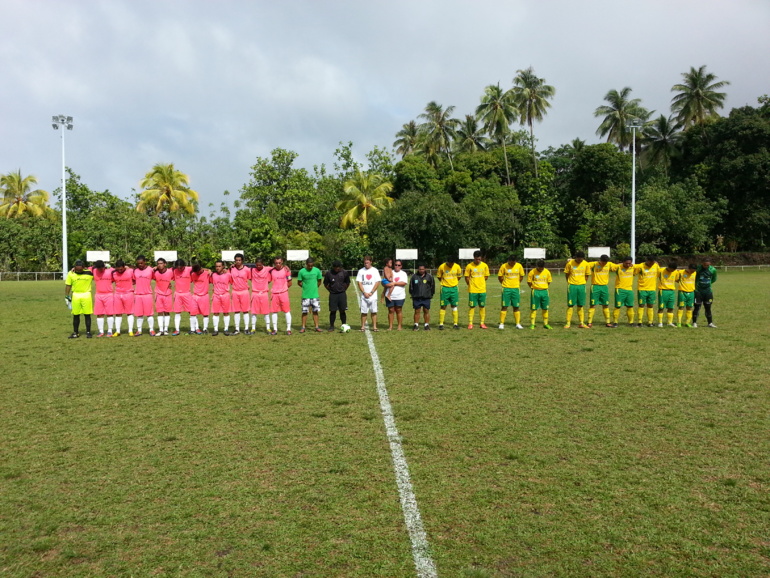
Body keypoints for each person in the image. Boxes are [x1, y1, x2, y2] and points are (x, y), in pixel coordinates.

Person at [64, 260, 94, 338]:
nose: (78, 271)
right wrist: (67, 296)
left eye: (80, 269)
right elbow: (68, 285)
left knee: (87, 315)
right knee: (76, 315)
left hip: (86, 295)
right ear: (74, 268)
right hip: (76, 295)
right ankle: (75, 332)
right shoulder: (71, 273)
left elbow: (101, 269)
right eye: (77, 269)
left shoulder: (89, 272)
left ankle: (88, 332)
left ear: (83, 267)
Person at [587, 255, 616, 328]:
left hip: (604, 287)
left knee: (605, 305)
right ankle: (589, 322)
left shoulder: (609, 264)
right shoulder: (593, 264)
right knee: (593, 305)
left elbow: (619, 266)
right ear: (600, 260)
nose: (604, 264)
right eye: (603, 262)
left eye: (605, 263)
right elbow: (583, 264)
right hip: (595, 287)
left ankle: (608, 322)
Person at [497, 254, 525, 329]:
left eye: (514, 262)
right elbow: (500, 276)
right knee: (504, 306)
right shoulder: (504, 266)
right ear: (509, 261)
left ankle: (518, 323)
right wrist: (504, 283)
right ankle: (501, 323)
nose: (513, 264)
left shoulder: (519, 266)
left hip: (515, 289)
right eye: (512, 262)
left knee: (516, 306)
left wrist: (517, 283)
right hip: (506, 289)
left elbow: (521, 276)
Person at [564, 250, 590, 329]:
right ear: (576, 257)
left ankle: (581, 323)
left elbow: (587, 275)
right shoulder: (570, 263)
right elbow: (567, 274)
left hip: (581, 286)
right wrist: (569, 282)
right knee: (570, 305)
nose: (580, 261)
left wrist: (583, 282)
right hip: (572, 286)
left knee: (580, 305)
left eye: (581, 259)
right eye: (578, 259)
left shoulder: (586, 264)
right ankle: (568, 323)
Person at [464, 250, 490, 329]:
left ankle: (482, 323)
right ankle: (470, 323)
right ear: (474, 258)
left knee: (482, 306)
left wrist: (480, 283)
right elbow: (466, 277)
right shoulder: (469, 266)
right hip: (473, 290)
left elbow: (486, 277)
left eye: (479, 259)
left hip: (482, 290)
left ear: (481, 258)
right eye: (476, 259)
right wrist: (471, 284)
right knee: (472, 306)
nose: (478, 260)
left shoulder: (485, 266)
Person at [297, 257, 324, 333]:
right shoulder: (301, 271)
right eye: (309, 265)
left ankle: (317, 327)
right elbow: (299, 282)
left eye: (311, 265)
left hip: (315, 295)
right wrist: (306, 287)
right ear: (306, 264)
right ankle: (303, 327)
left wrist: (315, 287)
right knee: (304, 312)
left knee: (315, 312)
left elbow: (319, 281)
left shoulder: (317, 271)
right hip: (305, 295)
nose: (310, 267)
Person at [356, 255, 381, 331]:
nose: (366, 264)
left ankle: (374, 327)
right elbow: (359, 282)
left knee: (374, 311)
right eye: (365, 263)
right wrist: (364, 292)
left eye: (367, 262)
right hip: (364, 295)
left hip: (372, 296)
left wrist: (371, 292)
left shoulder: (375, 270)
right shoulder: (361, 271)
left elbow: (377, 282)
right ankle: (362, 326)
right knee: (363, 312)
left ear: (371, 262)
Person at [132, 255, 155, 336]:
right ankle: (139, 330)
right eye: (138, 264)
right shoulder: (135, 271)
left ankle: (151, 330)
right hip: (138, 295)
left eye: (141, 263)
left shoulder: (151, 270)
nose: (140, 265)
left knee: (149, 314)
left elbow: (157, 278)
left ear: (145, 262)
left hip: (148, 294)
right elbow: (133, 281)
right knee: (139, 314)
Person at [269, 256, 293, 335]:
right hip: (274, 294)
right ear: (274, 263)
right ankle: (275, 329)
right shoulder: (271, 271)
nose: (278, 264)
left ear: (282, 262)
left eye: (279, 263)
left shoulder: (286, 270)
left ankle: (288, 329)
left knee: (286, 311)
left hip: (283, 294)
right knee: (274, 312)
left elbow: (290, 282)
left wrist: (283, 289)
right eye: (276, 263)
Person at [436, 256, 462, 330]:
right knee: (443, 306)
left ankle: (455, 324)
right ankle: (441, 324)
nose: (451, 265)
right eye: (450, 264)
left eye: (452, 264)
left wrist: (453, 282)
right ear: (447, 262)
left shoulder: (457, 266)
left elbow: (459, 277)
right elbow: (439, 277)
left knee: (454, 305)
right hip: (444, 288)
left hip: (454, 288)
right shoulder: (442, 267)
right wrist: (445, 283)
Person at [324, 261, 350, 331]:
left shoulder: (344, 273)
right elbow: (325, 284)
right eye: (335, 268)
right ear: (333, 267)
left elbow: (347, 282)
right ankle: (331, 326)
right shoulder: (329, 273)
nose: (337, 269)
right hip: (333, 295)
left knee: (342, 310)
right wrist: (330, 290)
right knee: (333, 311)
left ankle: (344, 325)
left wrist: (343, 289)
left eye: (338, 268)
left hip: (342, 294)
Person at [634, 256, 660, 327]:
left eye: (653, 262)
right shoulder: (640, 266)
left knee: (650, 305)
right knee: (641, 305)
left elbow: (658, 274)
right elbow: (634, 273)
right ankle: (639, 322)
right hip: (642, 289)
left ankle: (650, 322)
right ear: (647, 260)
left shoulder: (656, 265)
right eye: (650, 262)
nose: (652, 264)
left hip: (652, 289)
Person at [249, 258, 273, 334]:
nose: (258, 266)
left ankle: (268, 328)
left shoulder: (268, 269)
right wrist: (232, 266)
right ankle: (253, 328)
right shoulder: (252, 270)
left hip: (264, 293)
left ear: (263, 264)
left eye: (260, 265)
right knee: (254, 312)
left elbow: (277, 268)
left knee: (266, 312)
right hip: (255, 293)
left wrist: (285, 267)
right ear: (255, 264)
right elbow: (242, 267)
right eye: (257, 265)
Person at [229, 253, 251, 335]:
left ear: (242, 261)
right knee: (236, 311)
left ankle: (246, 328)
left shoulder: (247, 269)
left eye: (239, 260)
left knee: (245, 311)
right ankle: (237, 329)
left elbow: (249, 278)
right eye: (236, 260)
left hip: (244, 291)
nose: (238, 262)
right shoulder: (231, 269)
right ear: (234, 261)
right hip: (235, 291)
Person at [92, 260, 115, 337]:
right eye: (98, 269)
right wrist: (73, 269)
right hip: (98, 295)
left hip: (109, 294)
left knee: (109, 313)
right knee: (99, 314)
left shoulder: (110, 271)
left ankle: (110, 331)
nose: (100, 270)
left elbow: (121, 269)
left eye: (101, 268)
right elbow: (84, 269)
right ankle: (101, 331)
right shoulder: (94, 270)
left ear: (104, 267)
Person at [527, 259, 552, 329]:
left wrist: (543, 287)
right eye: (539, 267)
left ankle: (546, 324)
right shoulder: (532, 272)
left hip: (545, 291)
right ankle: (532, 324)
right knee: (534, 308)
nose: (541, 269)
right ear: (537, 266)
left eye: (542, 267)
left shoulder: (547, 272)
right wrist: (533, 287)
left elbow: (549, 282)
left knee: (545, 308)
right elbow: (529, 282)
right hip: (535, 291)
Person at [612, 257, 637, 327]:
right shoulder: (618, 267)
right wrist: (619, 264)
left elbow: (642, 265)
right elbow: (610, 266)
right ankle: (615, 322)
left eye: (630, 263)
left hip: (629, 290)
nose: (628, 265)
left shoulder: (633, 267)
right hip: (619, 289)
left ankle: (631, 323)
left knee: (630, 306)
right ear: (623, 262)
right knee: (617, 306)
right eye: (626, 263)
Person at [112, 259, 134, 336]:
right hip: (117, 294)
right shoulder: (113, 273)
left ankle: (130, 331)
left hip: (128, 293)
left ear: (124, 267)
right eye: (118, 269)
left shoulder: (130, 271)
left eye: (121, 268)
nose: (120, 270)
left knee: (130, 312)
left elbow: (136, 276)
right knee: (118, 313)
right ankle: (117, 331)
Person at [693, 258, 718, 328]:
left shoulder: (713, 270)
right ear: (702, 263)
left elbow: (714, 279)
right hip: (698, 291)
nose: (706, 266)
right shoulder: (698, 269)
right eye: (704, 265)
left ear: (710, 264)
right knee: (697, 307)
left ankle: (710, 323)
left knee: (708, 307)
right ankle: (694, 322)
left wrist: (708, 283)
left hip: (708, 291)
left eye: (707, 265)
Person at [409, 264, 434, 330]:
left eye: (422, 269)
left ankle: (426, 325)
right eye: (420, 269)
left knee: (426, 311)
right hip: (417, 297)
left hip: (426, 297)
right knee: (417, 311)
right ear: (418, 269)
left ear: (425, 269)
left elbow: (432, 287)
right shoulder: (414, 276)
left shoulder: (429, 276)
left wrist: (430, 295)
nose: (421, 270)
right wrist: (413, 294)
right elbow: (411, 287)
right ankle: (416, 325)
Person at [153, 258, 174, 336]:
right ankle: (161, 329)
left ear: (165, 264)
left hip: (168, 294)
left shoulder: (170, 272)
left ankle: (166, 329)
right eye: (158, 263)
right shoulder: (155, 272)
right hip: (158, 294)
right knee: (160, 312)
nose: (159, 265)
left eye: (161, 263)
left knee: (167, 312)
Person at [210, 260, 232, 336]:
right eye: (216, 266)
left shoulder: (228, 275)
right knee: (216, 313)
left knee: (226, 312)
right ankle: (215, 329)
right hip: (216, 295)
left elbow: (232, 282)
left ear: (223, 266)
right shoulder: (213, 275)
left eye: (219, 266)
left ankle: (226, 329)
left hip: (225, 295)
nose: (218, 268)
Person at [171, 259, 193, 336]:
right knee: (177, 312)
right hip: (177, 294)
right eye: (178, 267)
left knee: (191, 311)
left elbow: (199, 268)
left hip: (187, 293)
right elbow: (163, 271)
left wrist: (209, 270)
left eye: (181, 267)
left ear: (184, 266)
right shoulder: (173, 270)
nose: (179, 269)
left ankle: (194, 328)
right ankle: (177, 330)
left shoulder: (189, 269)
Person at [657, 260, 681, 327]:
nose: (672, 271)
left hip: (672, 291)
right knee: (661, 307)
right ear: (668, 267)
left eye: (674, 270)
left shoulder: (675, 272)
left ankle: (669, 322)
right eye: (671, 269)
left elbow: (677, 280)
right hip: (663, 291)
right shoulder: (661, 271)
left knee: (671, 307)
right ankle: (660, 323)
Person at [386, 260, 409, 330]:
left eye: (399, 265)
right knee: (391, 310)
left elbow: (404, 283)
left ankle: (399, 326)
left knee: (399, 310)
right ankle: (390, 326)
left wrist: (394, 283)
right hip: (390, 295)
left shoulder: (403, 274)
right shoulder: (390, 272)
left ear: (401, 266)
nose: (397, 266)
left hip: (400, 296)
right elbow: (385, 281)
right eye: (396, 265)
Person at [190, 261, 212, 334]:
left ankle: (205, 329)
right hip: (195, 295)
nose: (197, 273)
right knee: (192, 313)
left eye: (198, 272)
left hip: (204, 296)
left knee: (205, 314)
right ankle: (193, 329)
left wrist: (208, 270)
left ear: (200, 269)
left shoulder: (207, 274)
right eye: (195, 272)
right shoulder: (193, 274)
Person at [677, 263, 697, 327]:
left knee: (689, 307)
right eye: (691, 271)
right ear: (689, 268)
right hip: (682, 292)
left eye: (693, 271)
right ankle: (679, 322)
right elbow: (676, 278)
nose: (692, 272)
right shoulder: (681, 272)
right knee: (681, 307)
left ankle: (687, 322)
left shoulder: (695, 273)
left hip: (691, 292)